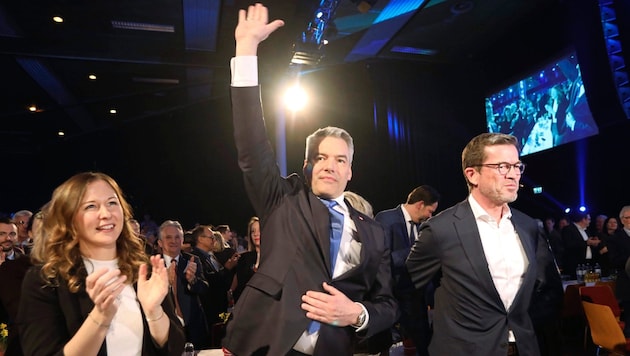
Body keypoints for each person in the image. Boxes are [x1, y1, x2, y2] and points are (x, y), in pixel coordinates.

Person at [223, 4, 398, 355]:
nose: (329, 166)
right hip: (263, 344)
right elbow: (252, 145)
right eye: (319, 158)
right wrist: (246, 51)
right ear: (306, 166)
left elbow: (387, 304)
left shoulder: (374, 231)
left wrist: (357, 314)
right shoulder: (281, 199)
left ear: (350, 171)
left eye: (339, 160)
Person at [406, 133, 561, 356]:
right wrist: (427, 342)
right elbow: (407, 290)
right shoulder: (441, 229)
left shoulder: (528, 226)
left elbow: (548, 288)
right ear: (472, 174)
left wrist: (526, 326)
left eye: (517, 166)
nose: (514, 175)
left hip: (524, 347)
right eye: (502, 166)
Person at [17, 172, 185, 355]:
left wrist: (154, 312)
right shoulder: (44, 280)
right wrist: (100, 318)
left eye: (112, 203)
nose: (105, 214)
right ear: (69, 219)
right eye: (91, 206)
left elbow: (174, 348)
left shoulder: (145, 270)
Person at [374, 185, 440, 356]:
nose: (430, 216)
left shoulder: (422, 226)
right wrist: (416, 250)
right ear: (419, 204)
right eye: (430, 211)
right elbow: (382, 258)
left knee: (423, 343)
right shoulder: (386, 219)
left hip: (416, 298)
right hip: (392, 295)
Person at [157, 220, 211, 349]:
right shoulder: (152, 265)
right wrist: (166, 283)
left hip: (193, 327)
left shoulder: (193, 260)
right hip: (165, 329)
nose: (173, 241)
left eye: (177, 237)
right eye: (168, 237)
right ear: (160, 242)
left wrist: (192, 280)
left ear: (182, 240)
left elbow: (204, 289)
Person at [231, 217, 261, 303]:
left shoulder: (274, 258)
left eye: (259, 230)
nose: (256, 234)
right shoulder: (244, 259)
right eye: (253, 231)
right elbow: (240, 288)